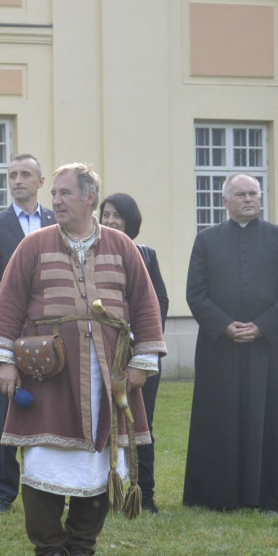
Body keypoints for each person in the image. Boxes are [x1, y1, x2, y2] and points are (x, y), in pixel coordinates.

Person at [0, 164, 166, 556]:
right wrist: (4, 361)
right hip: (47, 375)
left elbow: (145, 304)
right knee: (43, 459)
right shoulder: (33, 245)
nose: (56, 201)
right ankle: (49, 552)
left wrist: (143, 362)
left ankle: (82, 549)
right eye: (54, 194)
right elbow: (8, 304)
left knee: (103, 459)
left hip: (108, 375)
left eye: (65, 193)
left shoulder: (122, 247)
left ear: (90, 197)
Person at [183, 173, 278, 514]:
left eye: (253, 193)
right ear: (225, 200)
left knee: (270, 416)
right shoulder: (206, 240)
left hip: (269, 348)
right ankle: (217, 495)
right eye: (241, 194)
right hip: (220, 348)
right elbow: (195, 293)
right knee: (220, 416)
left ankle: (270, 496)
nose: (249, 199)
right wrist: (224, 326)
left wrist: (262, 326)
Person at [0, 154, 56, 514]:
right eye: (12, 175)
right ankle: (5, 491)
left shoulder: (58, 221)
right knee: (5, 412)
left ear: (41, 182)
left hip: (54, 332)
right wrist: (16, 311)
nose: (17, 180)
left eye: (25, 174)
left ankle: (52, 483)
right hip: (11, 331)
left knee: (52, 407)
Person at [99, 193, 168, 514]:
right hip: (104, 353)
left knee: (141, 423)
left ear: (131, 221)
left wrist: (141, 344)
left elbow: (158, 303)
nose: (111, 221)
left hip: (139, 356)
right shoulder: (93, 254)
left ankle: (145, 493)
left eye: (117, 215)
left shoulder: (146, 255)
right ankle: (101, 491)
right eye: (106, 214)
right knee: (100, 422)